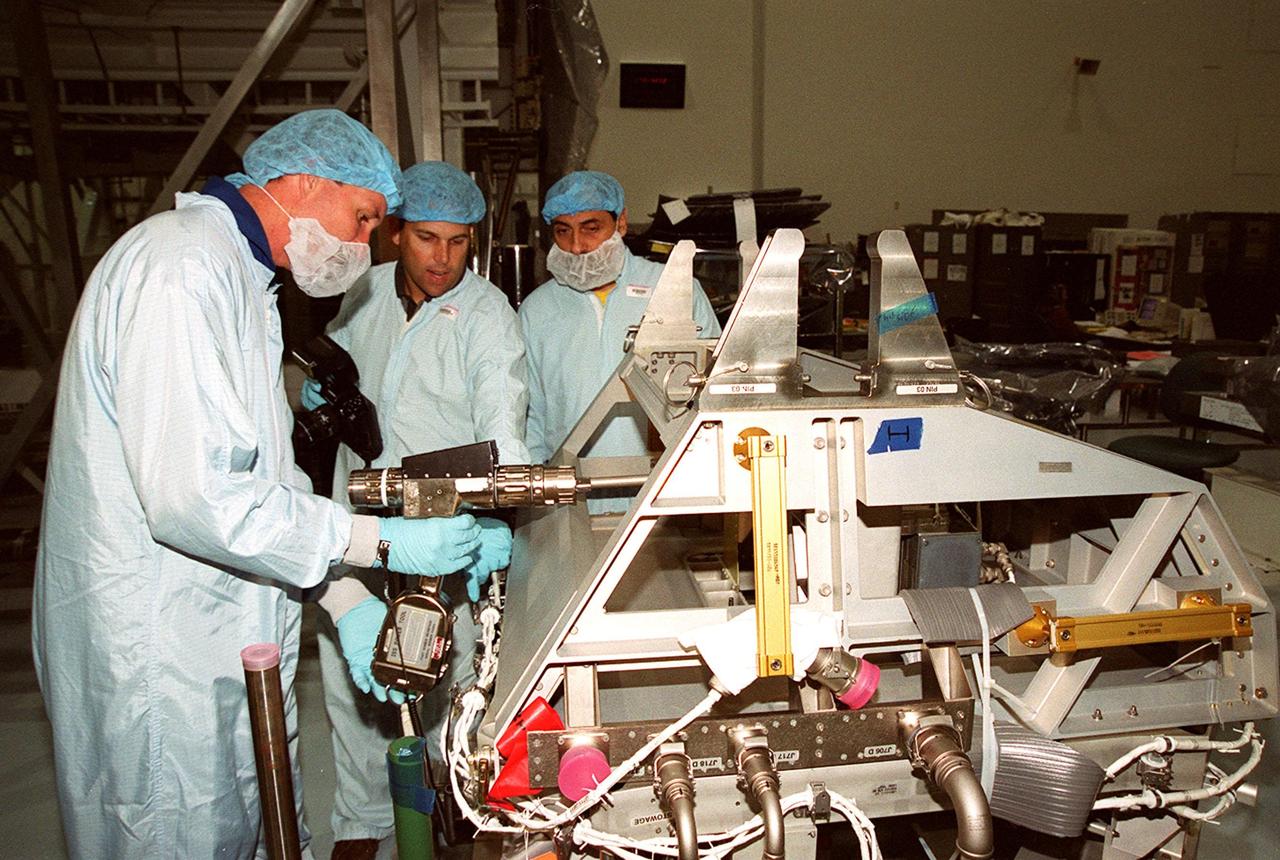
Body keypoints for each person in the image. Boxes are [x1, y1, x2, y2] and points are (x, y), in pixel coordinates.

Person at [31, 109, 508, 858]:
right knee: (179, 832)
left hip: (225, 628)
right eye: (363, 217)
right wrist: (376, 540)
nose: (363, 244)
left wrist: (342, 595)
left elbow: (268, 474)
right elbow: (197, 497)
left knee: (254, 823)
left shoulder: (238, 275)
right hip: (166, 647)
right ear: (305, 180)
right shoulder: (180, 272)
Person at [304, 161, 529, 858]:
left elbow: (503, 417)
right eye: (427, 239)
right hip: (359, 518)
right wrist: (312, 402)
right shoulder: (358, 292)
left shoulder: (488, 316)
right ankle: (364, 826)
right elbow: (327, 375)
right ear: (396, 234)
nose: (443, 258)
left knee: (448, 680)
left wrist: (495, 514)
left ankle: (456, 815)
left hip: (441, 534)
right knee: (353, 692)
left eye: (458, 242)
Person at [519, 171, 721, 492]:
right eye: (563, 231)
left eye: (591, 228)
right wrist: (537, 489)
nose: (577, 246)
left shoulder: (673, 291)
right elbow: (532, 415)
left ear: (621, 223)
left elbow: (713, 392)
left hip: (659, 490)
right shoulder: (537, 311)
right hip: (570, 493)